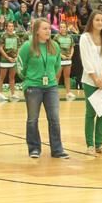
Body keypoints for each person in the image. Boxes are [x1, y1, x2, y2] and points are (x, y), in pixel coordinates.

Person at [18, 18, 69, 159]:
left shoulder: (54, 46)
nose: (48, 31)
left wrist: (51, 78)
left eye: (49, 28)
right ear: (37, 31)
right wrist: (29, 79)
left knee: (54, 119)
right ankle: (34, 149)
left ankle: (57, 150)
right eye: (45, 28)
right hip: (33, 87)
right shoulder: (27, 46)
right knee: (32, 119)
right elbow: (20, 66)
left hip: (51, 87)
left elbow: (57, 65)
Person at [79, 11, 102, 156]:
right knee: (91, 113)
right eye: (97, 20)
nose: (100, 22)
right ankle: (90, 145)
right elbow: (86, 60)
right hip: (90, 81)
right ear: (92, 21)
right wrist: (95, 79)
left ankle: (99, 144)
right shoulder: (84, 38)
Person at [0, 21, 23, 102]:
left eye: (12, 26)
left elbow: (18, 48)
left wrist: (16, 57)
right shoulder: (3, 36)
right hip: (5, 60)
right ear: (6, 27)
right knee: (2, 77)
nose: (11, 28)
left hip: (13, 60)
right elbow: (0, 48)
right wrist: (7, 57)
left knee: (12, 77)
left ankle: (13, 93)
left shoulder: (16, 37)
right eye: (9, 26)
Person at [55, 22, 76, 100]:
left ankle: (68, 92)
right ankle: (54, 93)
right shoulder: (56, 37)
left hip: (68, 59)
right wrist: (61, 55)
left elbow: (72, 47)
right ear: (59, 29)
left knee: (67, 76)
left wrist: (71, 55)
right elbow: (55, 48)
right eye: (61, 27)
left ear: (66, 28)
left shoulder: (70, 37)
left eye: (64, 27)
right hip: (60, 59)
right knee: (57, 76)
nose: (62, 28)